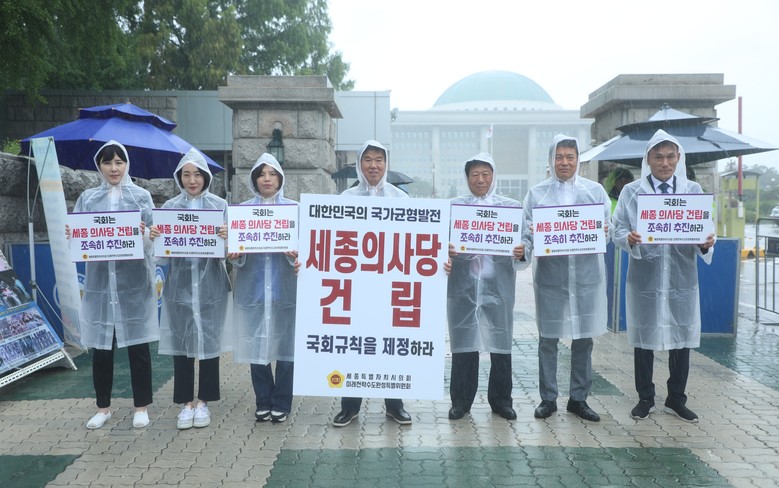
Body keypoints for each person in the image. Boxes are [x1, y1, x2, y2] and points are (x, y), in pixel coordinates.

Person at [612, 129, 715, 422]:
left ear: (678, 157)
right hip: (645, 277)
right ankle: (645, 397)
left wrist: (706, 242)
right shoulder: (632, 192)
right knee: (644, 337)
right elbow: (617, 228)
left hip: (681, 277)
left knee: (681, 337)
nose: (665, 163)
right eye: (659, 157)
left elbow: (707, 229)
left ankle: (676, 398)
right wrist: (628, 238)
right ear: (648, 158)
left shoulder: (692, 191)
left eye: (670, 156)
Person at [521, 134, 610, 422]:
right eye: (559, 157)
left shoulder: (595, 192)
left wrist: (603, 232)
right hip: (551, 279)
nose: (564, 162)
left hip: (586, 278)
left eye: (570, 157)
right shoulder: (537, 194)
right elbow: (525, 237)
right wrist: (525, 245)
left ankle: (579, 399)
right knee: (548, 338)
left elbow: (606, 230)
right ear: (551, 160)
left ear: (578, 160)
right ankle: (548, 398)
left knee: (583, 338)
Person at [71, 141, 158, 430]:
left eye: (119, 162)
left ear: (126, 164)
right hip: (101, 286)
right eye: (107, 162)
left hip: (132, 285)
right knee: (102, 349)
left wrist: (144, 235)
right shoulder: (88, 198)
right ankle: (103, 408)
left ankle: (141, 407)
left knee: (138, 347)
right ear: (99, 166)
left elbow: (154, 238)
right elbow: (79, 238)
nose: (113, 168)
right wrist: (73, 233)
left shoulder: (141, 197)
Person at [332, 140, 412, 427]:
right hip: (355, 286)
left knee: (390, 345)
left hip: (391, 285)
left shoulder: (401, 199)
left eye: (379, 159)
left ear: (386, 164)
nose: (373, 165)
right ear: (359, 164)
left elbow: (415, 241)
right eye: (368, 159)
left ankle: (395, 405)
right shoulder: (346, 198)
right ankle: (349, 406)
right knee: (355, 346)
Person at [151, 149, 231, 430]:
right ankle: (186, 403)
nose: (192, 180)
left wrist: (227, 237)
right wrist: (155, 238)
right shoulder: (169, 207)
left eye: (197, 174)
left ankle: (204, 402)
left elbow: (232, 250)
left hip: (212, 286)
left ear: (206, 177)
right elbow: (161, 257)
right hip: (180, 287)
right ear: (179, 177)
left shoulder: (219, 205)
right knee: (182, 345)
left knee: (209, 343)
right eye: (186, 174)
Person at [446, 153, 526, 421]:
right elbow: (438, 242)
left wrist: (521, 251)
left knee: (500, 344)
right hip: (463, 289)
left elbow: (526, 241)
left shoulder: (510, 209)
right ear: (467, 178)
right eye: (474, 175)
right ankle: (461, 402)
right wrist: (445, 250)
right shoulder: (454, 208)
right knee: (463, 344)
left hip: (498, 288)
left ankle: (502, 401)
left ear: (493, 176)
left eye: (485, 174)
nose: (480, 180)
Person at [230, 153, 298, 424]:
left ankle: (282, 401)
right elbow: (236, 254)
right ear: (254, 180)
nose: (267, 179)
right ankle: (263, 400)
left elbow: (307, 252)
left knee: (286, 348)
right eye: (261, 174)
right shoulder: (241, 212)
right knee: (256, 346)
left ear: (280, 178)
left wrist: (295, 255)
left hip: (286, 291)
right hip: (254, 292)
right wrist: (235, 255)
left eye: (272, 174)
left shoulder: (295, 210)